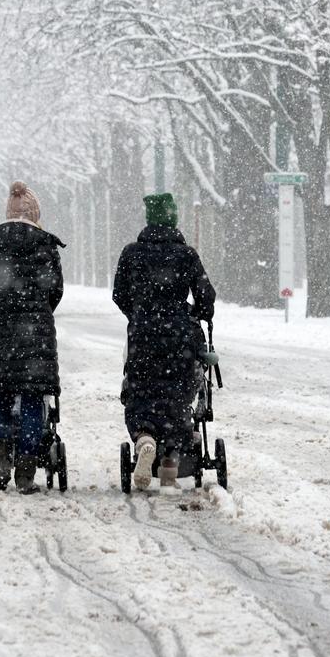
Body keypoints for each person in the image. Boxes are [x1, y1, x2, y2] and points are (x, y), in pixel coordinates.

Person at [114, 192, 216, 492]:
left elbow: (119, 294)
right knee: (178, 397)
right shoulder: (186, 255)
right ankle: (170, 462)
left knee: (140, 393)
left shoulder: (131, 253)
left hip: (143, 335)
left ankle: (145, 437)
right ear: (173, 218)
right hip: (180, 337)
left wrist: (140, 313)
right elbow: (206, 297)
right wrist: (192, 313)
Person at [0, 181, 64, 493]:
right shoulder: (46, 246)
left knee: (2, 394)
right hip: (37, 333)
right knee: (34, 399)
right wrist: (39, 310)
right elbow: (56, 290)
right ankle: (25, 471)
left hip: (4, 331)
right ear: (35, 215)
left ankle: (0, 465)